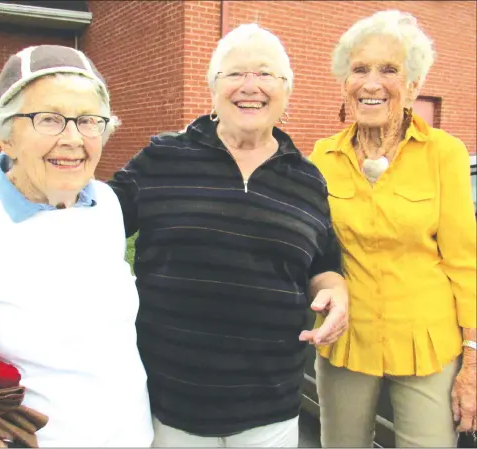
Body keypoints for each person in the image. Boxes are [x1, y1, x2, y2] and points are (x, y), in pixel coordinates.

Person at [108, 23, 349, 447]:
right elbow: (91, 226)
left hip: (271, 409)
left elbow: (323, 263)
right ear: (213, 89)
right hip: (172, 407)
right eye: (234, 73)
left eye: (265, 73)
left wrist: (335, 289)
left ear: (286, 91)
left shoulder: (308, 179)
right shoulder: (162, 158)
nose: (250, 86)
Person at [0, 45, 154, 447]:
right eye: (49, 119)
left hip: (135, 436)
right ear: (4, 136)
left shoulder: (105, 204)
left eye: (89, 121)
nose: (73, 139)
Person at [309, 10, 477, 448]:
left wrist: (474, 362)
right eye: (360, 69)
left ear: (414, 85)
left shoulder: (445, 153)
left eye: (389, 70)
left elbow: (465, 263)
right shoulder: (321, 158)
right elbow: (310, 248)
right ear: (345, 82)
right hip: (349, 338)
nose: (371, 83)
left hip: (428, 342)